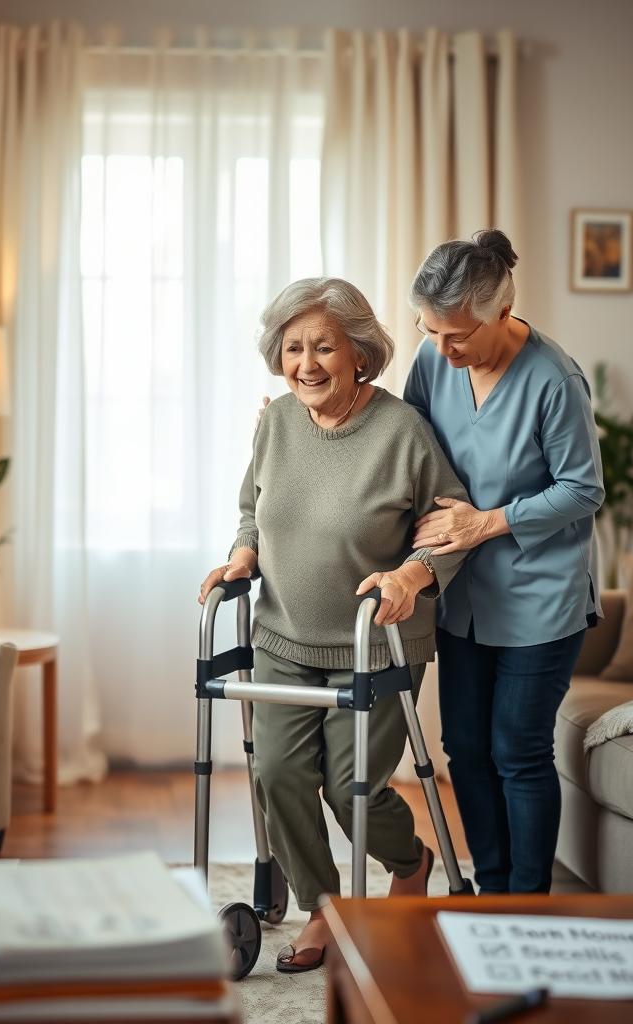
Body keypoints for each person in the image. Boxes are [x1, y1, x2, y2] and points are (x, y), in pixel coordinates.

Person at [199, 278, 468, 973]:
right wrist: (241, 555)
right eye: (293, 348)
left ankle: (411, 861)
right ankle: (326, 907)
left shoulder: (401, 431)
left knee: (351, 787)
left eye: (324, 346)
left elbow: (451, 526)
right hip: (283, 635)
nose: (307, 363)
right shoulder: (277, 423)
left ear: (359, 354)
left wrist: (413, 575)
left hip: (373, 643)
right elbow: (252, 508)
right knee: (279, 772)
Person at [404, 229, 604, 895]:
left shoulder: (554, 379)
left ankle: (528, 900)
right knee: (465, 746)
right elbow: (404, 444)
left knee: (518, 750)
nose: (440, 348)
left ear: (499, 311)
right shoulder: (436, 362)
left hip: (541, 596)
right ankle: (492, 889)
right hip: (464, 593)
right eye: (429, 331)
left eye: (455, 334)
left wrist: (485, 522)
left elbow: (584, 490)